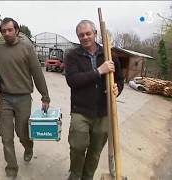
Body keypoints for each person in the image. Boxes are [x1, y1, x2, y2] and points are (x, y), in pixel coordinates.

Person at [0, 17, 50, 177]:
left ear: (16, 30)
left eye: (9, 30)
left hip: (23, 98)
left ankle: (28, 146)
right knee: (6, 136)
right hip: (4, 98)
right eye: (3, 31)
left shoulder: (27, 49)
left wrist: (45, 96)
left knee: (22, 133)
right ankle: (12, 168)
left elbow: (37, 73)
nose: (6, 33)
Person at [64, 20, 124, 180]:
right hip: (81, 111)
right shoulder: (72, 56)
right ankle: (75, 173)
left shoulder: (109, 55)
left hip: (104, 112)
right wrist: (99, 71)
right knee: (77, 146)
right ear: (78, 37)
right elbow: (72, 80)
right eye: (81, 35)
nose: (85, 37)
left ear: (95, 33)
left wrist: (117, 89)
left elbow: (119, 79)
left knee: (95, 150)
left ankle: (88, 176)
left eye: (88, 33)